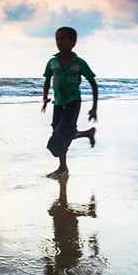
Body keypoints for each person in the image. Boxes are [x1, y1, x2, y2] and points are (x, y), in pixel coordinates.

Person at [41, 26, 98, 177]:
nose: (59, 42)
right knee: (61, 133)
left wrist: (94, 108)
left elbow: (93, 84)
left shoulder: (80, 63)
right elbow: (47, 80)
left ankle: (63, 165)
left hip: (73, 103)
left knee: (59, 137)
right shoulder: (52, 62)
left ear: (73, 42)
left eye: (63, 39)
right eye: (57, 39)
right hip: (58, 104)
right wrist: (45, 98)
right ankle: (63, 167)